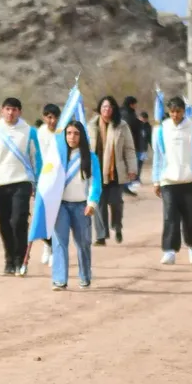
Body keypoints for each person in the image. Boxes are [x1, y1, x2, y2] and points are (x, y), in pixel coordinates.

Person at [0, 97, 42, 275]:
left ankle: (21, 259)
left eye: (14, 109)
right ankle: (9, 260)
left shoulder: (29, 132)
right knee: (4, 222)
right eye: (7, 109)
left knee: (18, 221)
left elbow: (36, 158)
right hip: (1, 183)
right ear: (2, 111)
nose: (10, 112)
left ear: (19, 112)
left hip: (22, 181)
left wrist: (38, 183)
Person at [51, 121, 102, 289]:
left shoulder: (91, 157)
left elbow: (96, 182)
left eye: (76, 133)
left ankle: (85, 276)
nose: (72, 137)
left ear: (82, 136)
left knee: (83, 243)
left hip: (82, 206)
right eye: (69, 133)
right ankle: (60, 279)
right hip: (61, 206)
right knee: (59, 242)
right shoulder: (57, 156)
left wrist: (92, 202)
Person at [152, 96, 192, 265]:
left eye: (178, 111)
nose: (175, 115)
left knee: (190, 217)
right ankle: (169, 251)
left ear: (183, 111)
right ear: (168, 111)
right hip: (168, 181)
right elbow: (158, 155)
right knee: (169, 217)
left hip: (189, 181)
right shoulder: (162, 129)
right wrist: (156, 180)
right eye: (172, 111)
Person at [87, 96, 137, 245]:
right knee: (99, 203)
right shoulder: (91, 126)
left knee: (116, 202)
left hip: (115, 171)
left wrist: (132, 168)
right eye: (104, 107)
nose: (107, 110)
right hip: (97, 170)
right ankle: (101, 236)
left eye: (109, 107)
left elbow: (129, 149)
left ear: (114, 109)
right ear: (100, 109)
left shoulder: (122, 125)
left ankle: (117, 225)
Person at [36, 104, 61, 266]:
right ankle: (47, 245)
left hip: (60, 179)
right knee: (44, 216)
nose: (52, 121)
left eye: (55, 117)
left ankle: (55, 250)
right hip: (44, 179)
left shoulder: (63, 132)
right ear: (44, 118)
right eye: (49, 117)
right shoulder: (40, 132)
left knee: (58, 217)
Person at [136, 111, 152, 180]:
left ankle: (137, 178)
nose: (142, 121)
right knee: (134, 164)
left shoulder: (148, 127)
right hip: (135, 148)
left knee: (140, 164)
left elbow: (149, 138)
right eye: (141, 119)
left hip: (143, 149)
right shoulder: (135, 125)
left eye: (144, 120)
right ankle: (133, 179)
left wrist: (152, 146)